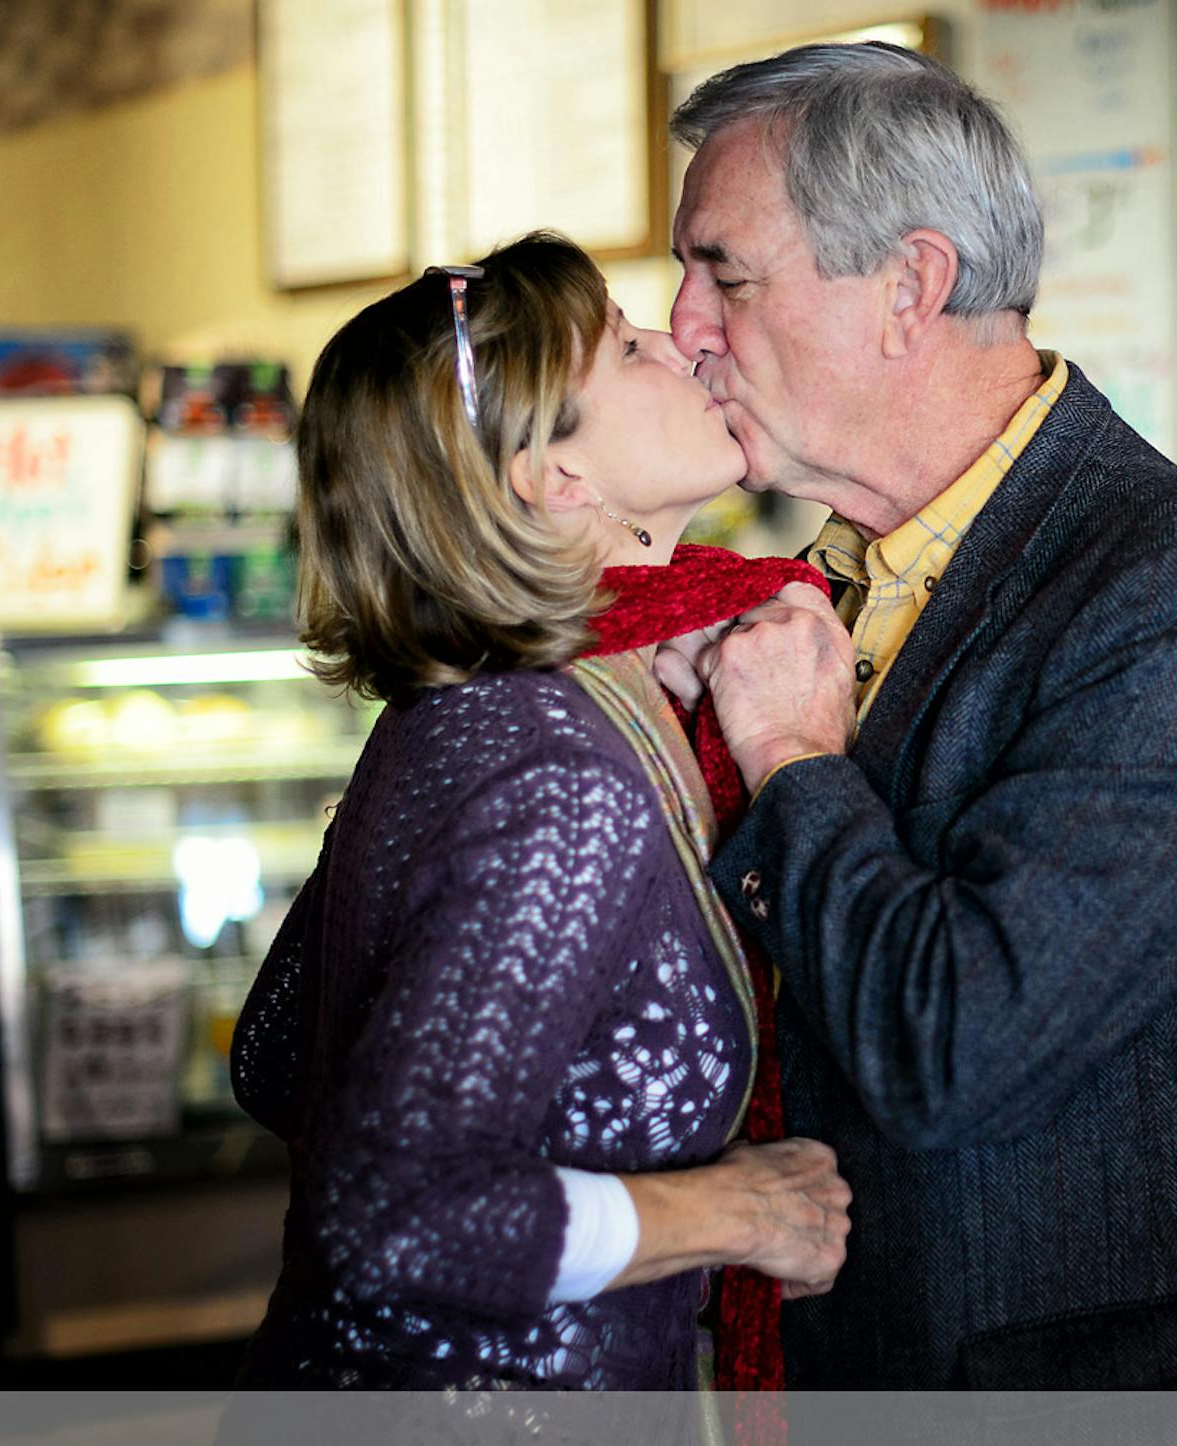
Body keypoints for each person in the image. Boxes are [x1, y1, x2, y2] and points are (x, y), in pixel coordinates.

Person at [659, 44, 1177, 1388]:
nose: (683, 325)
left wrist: (793, 758)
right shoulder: (822, 580)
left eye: (724, 272)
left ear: (909, 284)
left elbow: (957, 1043)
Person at [230, 231, 851, 1391]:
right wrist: (732, 1213)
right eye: (625, 347)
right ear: (553, 477)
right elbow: (397, 1219)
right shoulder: (563, 775)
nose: (679, 343)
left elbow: (276, 1056)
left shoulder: (457, 708)